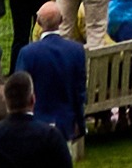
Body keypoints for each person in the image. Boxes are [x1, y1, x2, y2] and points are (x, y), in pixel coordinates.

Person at [16, 8, 84, 150]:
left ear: (38, 22)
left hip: (35, 123)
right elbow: (79, 91)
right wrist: (80, 122)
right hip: (66, 123)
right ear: (61, 21)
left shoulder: (27, 53)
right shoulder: (76, 50)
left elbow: (20, 92)